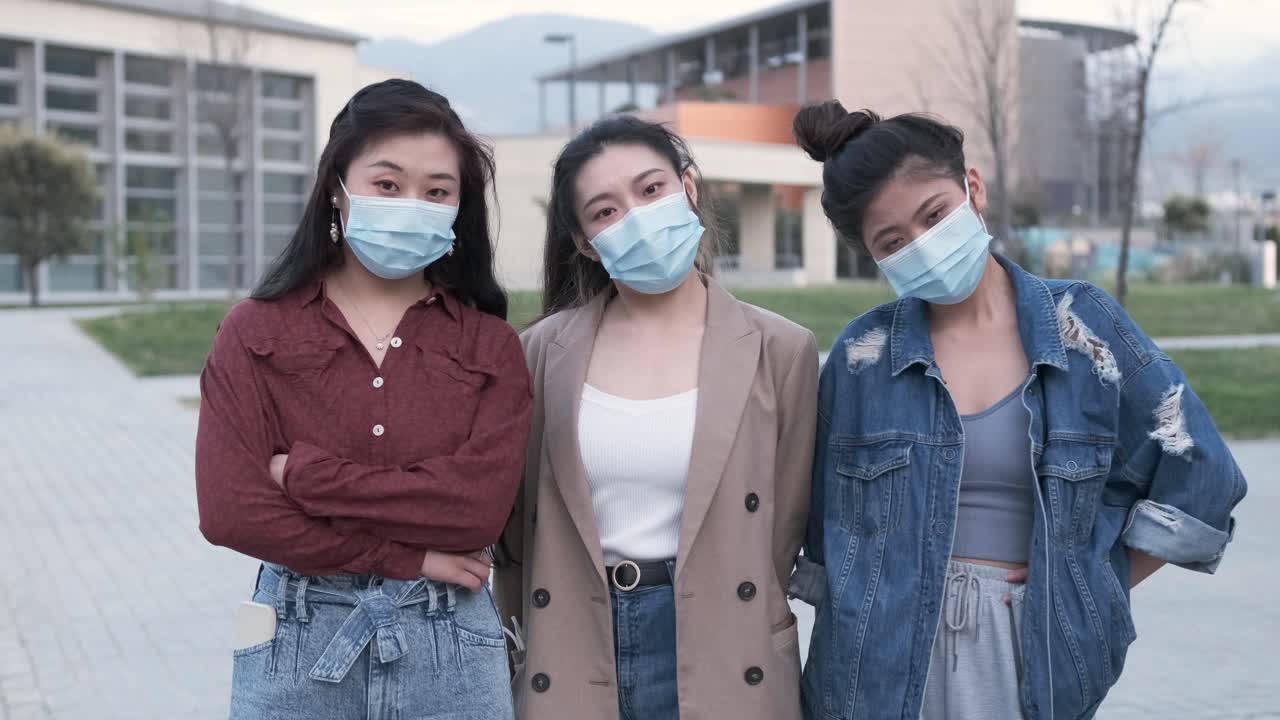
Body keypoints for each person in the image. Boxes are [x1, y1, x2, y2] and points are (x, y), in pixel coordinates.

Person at [788, 101, 1247, 720]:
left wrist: (1088, 591)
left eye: (935, 215)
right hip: (880, 660)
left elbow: (1201, 478)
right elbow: (825, 536)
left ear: (972, 188)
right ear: (872, 255)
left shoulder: (1084, 327)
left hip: (1028, 655)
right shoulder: (861, 359)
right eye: (893, 241)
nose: (923, 247)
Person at [195, 79, 532, 720]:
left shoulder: (491, 346)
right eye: (387, 183)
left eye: (437, 192)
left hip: (452, 646)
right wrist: (405, 554)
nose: (414, 203)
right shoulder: (257, 330)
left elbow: (475, 513)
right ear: (337, 188)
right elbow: (231, 512)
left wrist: (299, 473)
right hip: (295, 639)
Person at [491, 115, 817, 720]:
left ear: (688, 189)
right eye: (605, 211)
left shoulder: (782, 349)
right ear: (585, 242)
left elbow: (780, 533)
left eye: (650, 190)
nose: (637, 219)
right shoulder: (540, 353)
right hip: (573, 633)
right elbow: (515, 536)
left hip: (724, 637)